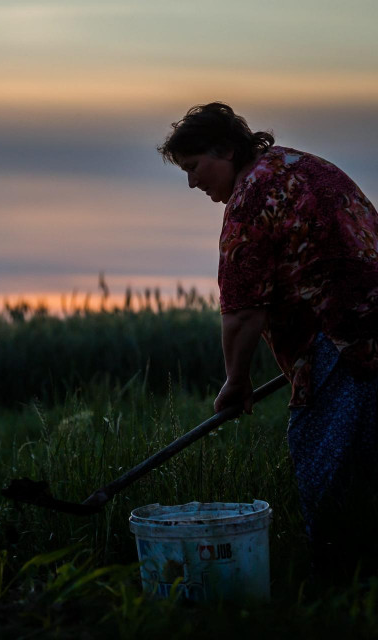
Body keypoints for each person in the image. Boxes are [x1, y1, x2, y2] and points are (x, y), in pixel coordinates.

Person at [158, 102, 378, 579]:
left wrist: (235, 381)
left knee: (322, 460)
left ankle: (333, 580)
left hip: (338, 340)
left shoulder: (251, 198)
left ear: (226, 150)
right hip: (369, 334)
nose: (193, 183)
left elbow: (242, 310)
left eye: (195, 168)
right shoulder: (307, 167)